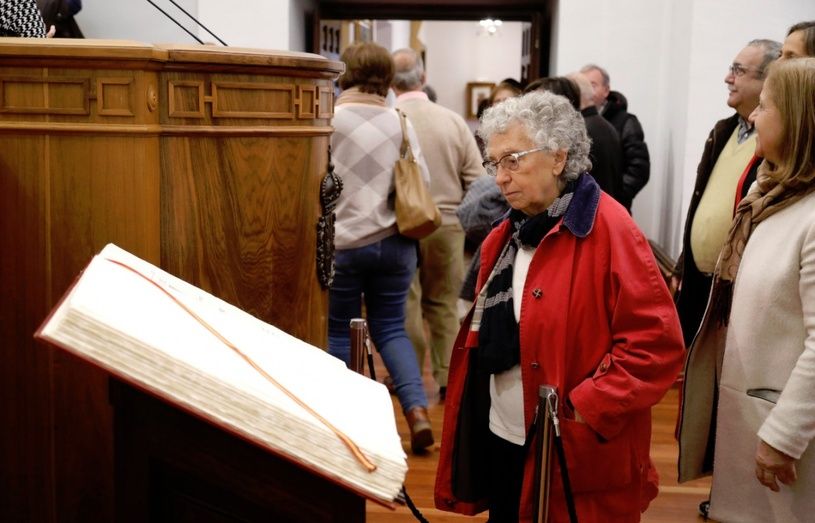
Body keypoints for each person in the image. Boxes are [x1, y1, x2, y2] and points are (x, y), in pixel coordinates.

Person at [434, 90, 685, 522]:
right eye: (495, 163)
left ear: (557, 157)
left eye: (513, 160)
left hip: (573, 450)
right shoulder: (505, 236)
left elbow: (656, 346)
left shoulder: (611, 230)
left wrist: (585, 408)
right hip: (506, 435)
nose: (500, 177)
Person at [677, 57, 815, 523]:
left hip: (786, 432)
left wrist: (783, 436)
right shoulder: (773, 195)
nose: (753, 116)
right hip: (753, 412)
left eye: (766, 106)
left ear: (798, 120)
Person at [328, 42, 434, 453]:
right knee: (391, 329)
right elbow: (421, 178)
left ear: (346, 73)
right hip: (394, 243)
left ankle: (345, 419)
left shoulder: (330, 119)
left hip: (341, 244)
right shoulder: (399, 121)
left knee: (339, 330)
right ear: (387, 77)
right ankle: (417, 412)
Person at [391, 48, 486, 402]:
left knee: (407, 301)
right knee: (444, 303)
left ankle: (409, 377)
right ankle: (448, 378)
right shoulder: (452, 121)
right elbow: (479, 180)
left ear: (390, 83)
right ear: (423, 77)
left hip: (400, 225)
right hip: (446, 224)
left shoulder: (389, 120)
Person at [674, 39, 781, 347]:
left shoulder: (774, 142)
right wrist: (684, 263)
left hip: (735, 288)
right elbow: (701, 203)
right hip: (697, 282)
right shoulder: (722, 131)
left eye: (738, 70)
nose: (727, 78)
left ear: (767, 80)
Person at [580, 63, 650, 211]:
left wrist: (616, 196)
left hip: (612, 208)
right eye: (583, 85)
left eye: (593, 85)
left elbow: (639, 168)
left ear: (606, 90)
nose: (587, 90)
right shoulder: (575, 120)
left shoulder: (626, 122)